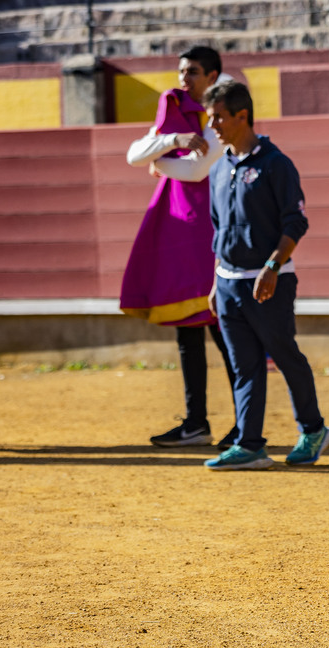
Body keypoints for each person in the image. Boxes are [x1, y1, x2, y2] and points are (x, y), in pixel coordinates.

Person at [202, 80, 329, 471]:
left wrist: (272, 267)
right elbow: (217, 228)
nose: (214, 126)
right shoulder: (218, 169)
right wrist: (215, 282)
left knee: (284, 353)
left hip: (269, 281)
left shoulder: (276, 164)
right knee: (244, 366)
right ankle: (250, 444)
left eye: (219, 117)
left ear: (242, 116)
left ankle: (313, 429)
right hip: (228, 283)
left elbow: (295, 223)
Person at [120, 45, 237, 449]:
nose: (184, 78)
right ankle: (196, 422)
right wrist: (173, 138)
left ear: (213, 76)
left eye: (193, 72)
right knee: (189, 331)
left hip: (209, 230)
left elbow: (197, 168)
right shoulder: (173, 111)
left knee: (224, 329)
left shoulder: (222, 114)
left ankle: (245, 422)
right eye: (181, 71)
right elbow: (134, 155)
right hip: (179, 231)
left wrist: (162, 161)